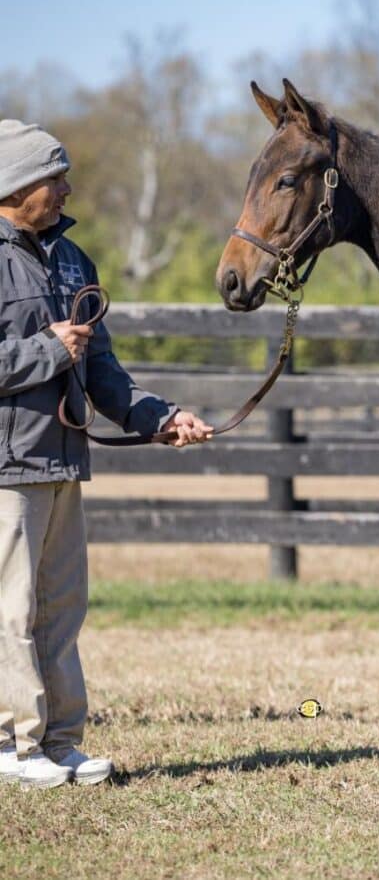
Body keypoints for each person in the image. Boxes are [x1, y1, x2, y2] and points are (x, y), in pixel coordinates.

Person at [0, 119, 213, 790]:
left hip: (62, 461)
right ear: (16, 185)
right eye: (53, 179)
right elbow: (50, 354)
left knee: (60, 607)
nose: (67, 189)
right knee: (10, 613)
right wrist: (43, 352)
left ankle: (61, 742)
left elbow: (105, 372)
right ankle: (14, 747)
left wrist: (162, 416)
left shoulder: (72, 260)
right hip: (5, 468)